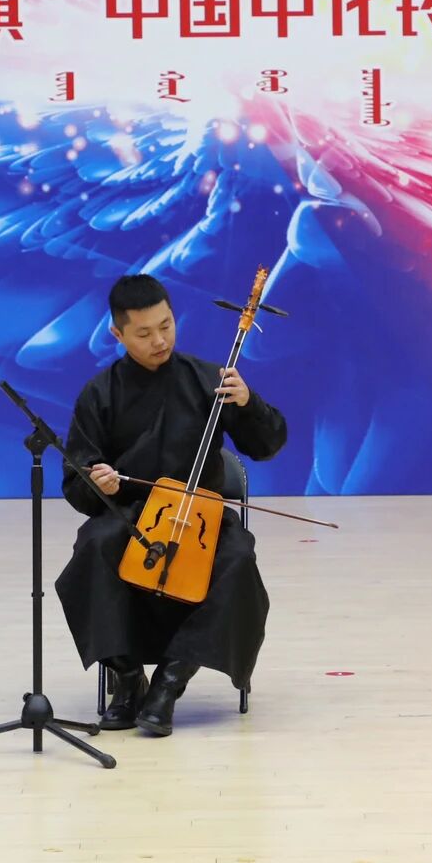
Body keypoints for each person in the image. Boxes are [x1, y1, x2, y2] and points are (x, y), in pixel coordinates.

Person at [54, 274, 287, 737]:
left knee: (238, 557)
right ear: (117, 334)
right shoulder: (100, 393)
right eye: (143, 333)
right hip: (132, 514)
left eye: (166, 325)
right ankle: (127, 679)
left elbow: (267, 444)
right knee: (94, 549)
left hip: (202, 516)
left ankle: (170, 680)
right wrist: (101, 484)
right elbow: (77, 482)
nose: (159, 340)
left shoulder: (210, 380)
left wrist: (247, 403)